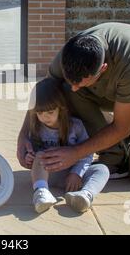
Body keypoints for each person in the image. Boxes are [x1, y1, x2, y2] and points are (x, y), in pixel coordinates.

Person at [17, 22, 130, 185]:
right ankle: (114, 153)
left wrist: (75, 153)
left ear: (103, 68)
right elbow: (44, 95)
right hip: (112, 95)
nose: (74, 88)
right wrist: (24, 134)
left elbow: (122, 127)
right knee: (64, 90)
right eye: (71, 80)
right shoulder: (70, 53)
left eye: (81, 83)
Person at [26, 77, 109, 213]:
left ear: (61, 108)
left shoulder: (76, 126)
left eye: (50, 112)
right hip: (50, 175)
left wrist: (76, 173)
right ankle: (41, 193)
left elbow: (87, 154)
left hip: (74, 177)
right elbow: (34, 152)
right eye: (39, 113)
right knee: (41, 155)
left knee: (102, 169)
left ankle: (85, 195)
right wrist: (30, 156)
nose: (44, 117)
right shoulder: (37, 127)